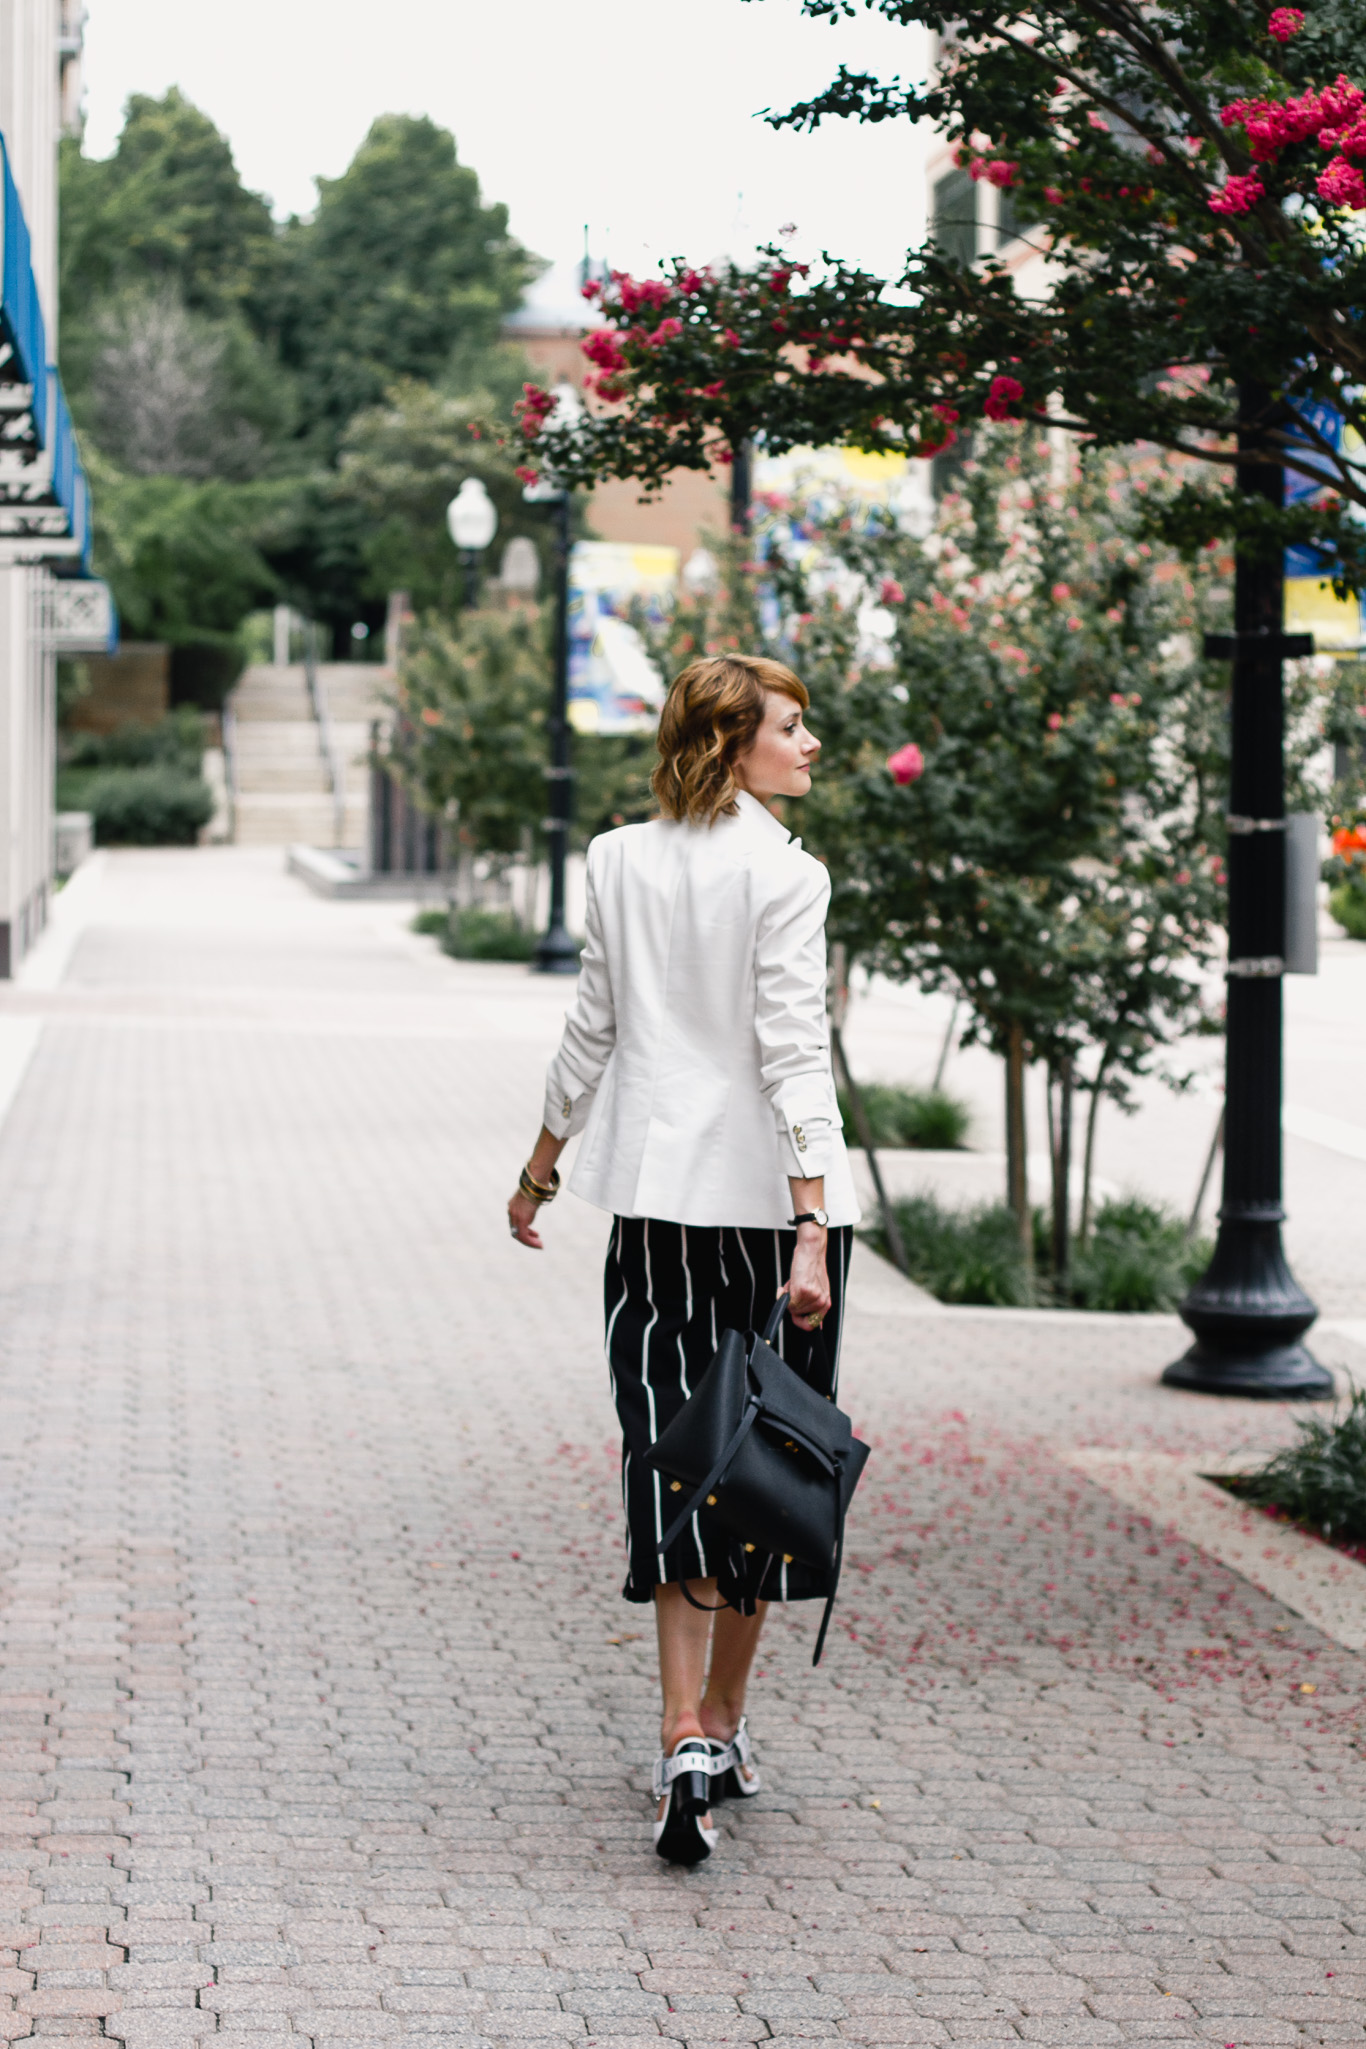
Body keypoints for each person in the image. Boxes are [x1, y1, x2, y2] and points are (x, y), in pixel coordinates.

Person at [507, 652, 859, 1864]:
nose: (810, 745)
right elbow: (791, 1051)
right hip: (770, 1217)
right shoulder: (787, 876)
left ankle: (677, 1735)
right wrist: (811, 1225)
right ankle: (722, 1725)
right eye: (791, 728)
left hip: (655, 1208)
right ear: (729, 745)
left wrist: (541, 1165)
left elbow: (589, 1027)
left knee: (670, 1456)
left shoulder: (615, 858)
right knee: (764, 1463)